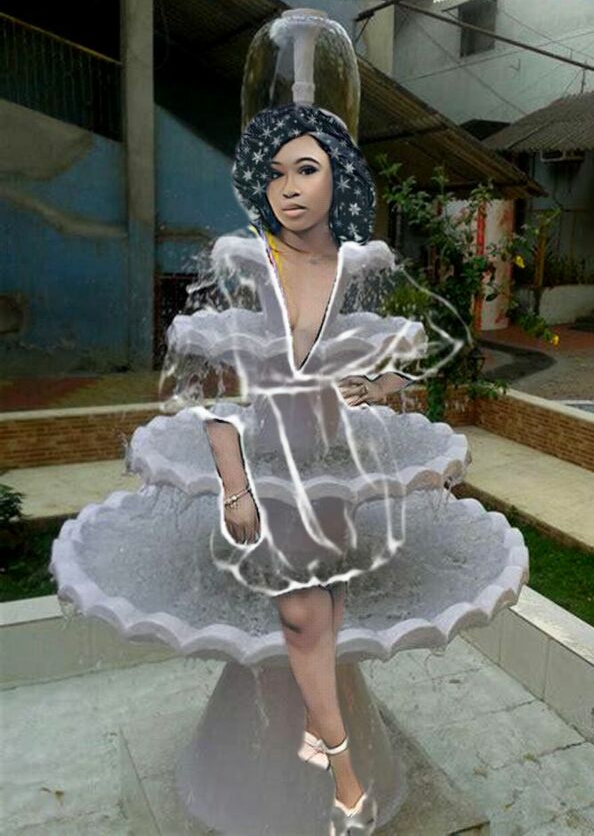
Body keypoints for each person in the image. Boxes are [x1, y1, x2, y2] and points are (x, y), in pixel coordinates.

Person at [204, 102, 412, 834]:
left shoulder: (358, 269)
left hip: (334, 473)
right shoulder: (246, 264)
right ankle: (348, 780)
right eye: (274, 174)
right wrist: (235, 488)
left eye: (306, 170)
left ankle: (314, 733)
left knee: (325, 612)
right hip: (270, 476)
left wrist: (377, 386)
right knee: (301, 618)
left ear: (338, 179)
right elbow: (217, 392)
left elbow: (407, 366)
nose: (287, 188)